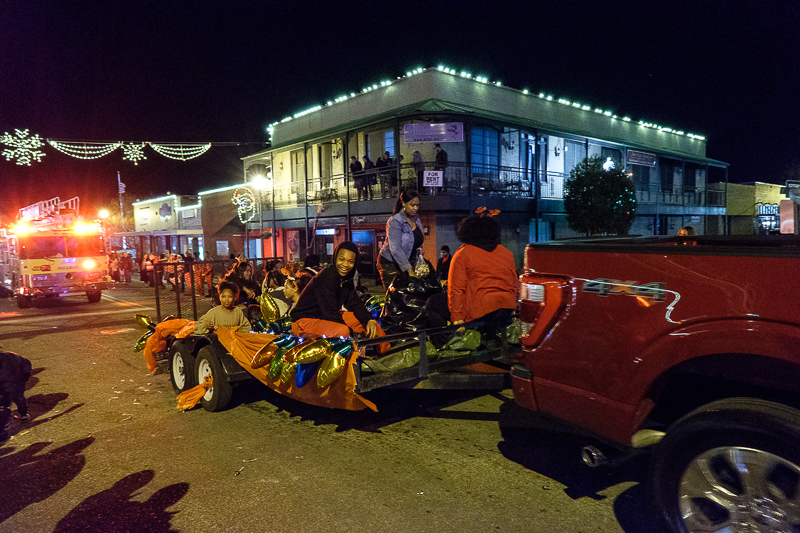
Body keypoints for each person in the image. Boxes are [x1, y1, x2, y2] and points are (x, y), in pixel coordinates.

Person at [426, 214, 518, 340]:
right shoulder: (507, 253)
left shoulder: (463, 254)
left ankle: (443, 343)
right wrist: (513, 308)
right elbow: (514, 283)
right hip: (505, 309)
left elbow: (456, 289)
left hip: (481, 310)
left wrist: (457, 318)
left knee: (433, 302)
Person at [290, 241, 379, 339]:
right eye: (342, 259)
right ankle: (355, 348)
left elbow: (355, 303)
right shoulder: (327, 276)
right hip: (305, 321)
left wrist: (369, 319)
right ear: (335, 258)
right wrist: (351, 332)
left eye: (350, 261)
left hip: (324, 317)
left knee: (369, 323)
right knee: (343, 331)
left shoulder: (346, 279)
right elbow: (330, 312)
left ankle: (386, 346)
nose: (345, 265)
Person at [378, 190, 423, 290]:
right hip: (390, 263)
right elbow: (395, 249)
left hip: (407, 261)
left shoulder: (416, 219)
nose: (415, 208)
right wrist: (409, 270)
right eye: (412, 205)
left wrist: (420, 248)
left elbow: (417, 239)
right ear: (403, 204)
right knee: (395, 294)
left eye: (417, 205)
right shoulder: (395, 221)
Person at [0, 351, 32, 442]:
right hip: (16, 382)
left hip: (10, 384)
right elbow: (26, 363)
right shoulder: (11, 356)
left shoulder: (10, 357)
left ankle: (3, 431)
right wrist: (25, 376)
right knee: (18, 398)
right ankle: (23, 414)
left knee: (5, 405)